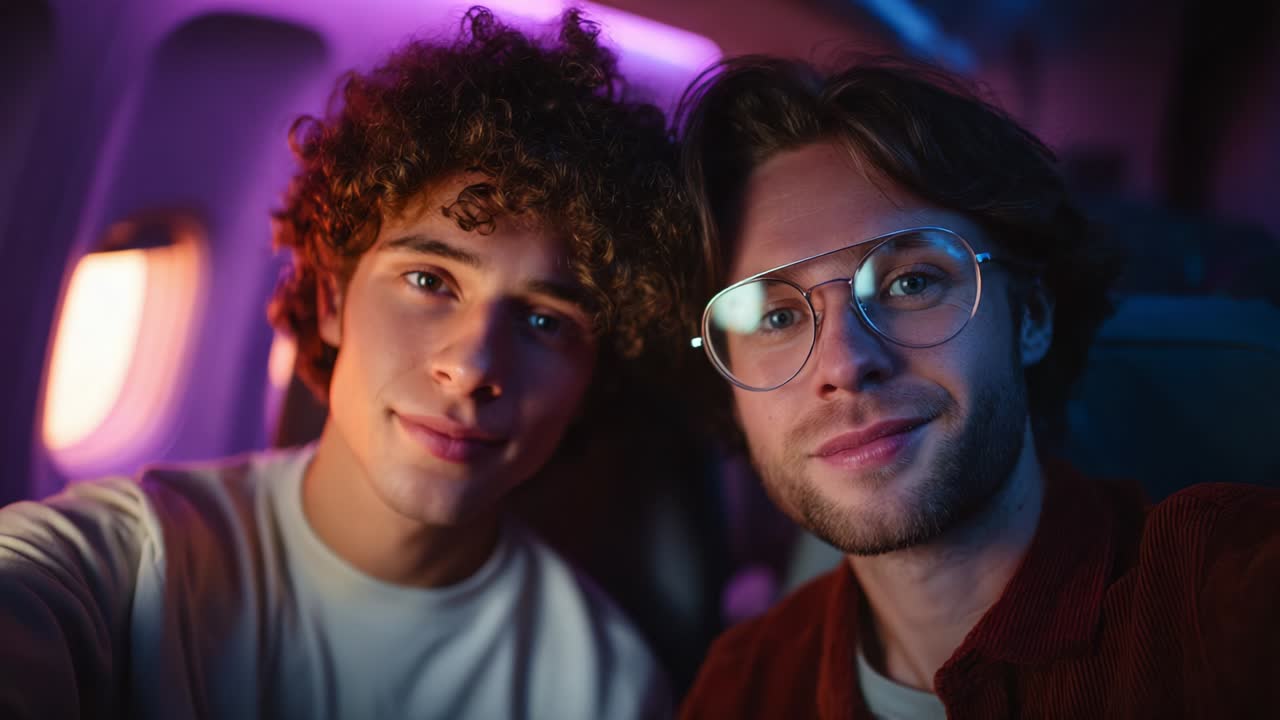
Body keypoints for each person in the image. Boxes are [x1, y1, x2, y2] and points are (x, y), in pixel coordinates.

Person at [0, 8, 698, 718]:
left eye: (545, 321)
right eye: (430, 281)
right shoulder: (128, 562)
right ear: (332, 299)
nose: (472, 366)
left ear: (592, 376)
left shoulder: (604, 686)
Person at [676, 55, 1279, 718]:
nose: (845, 364)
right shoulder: (738, 691)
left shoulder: (1225, 594)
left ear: (1032, 316)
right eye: (777, 317)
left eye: (911, 282)